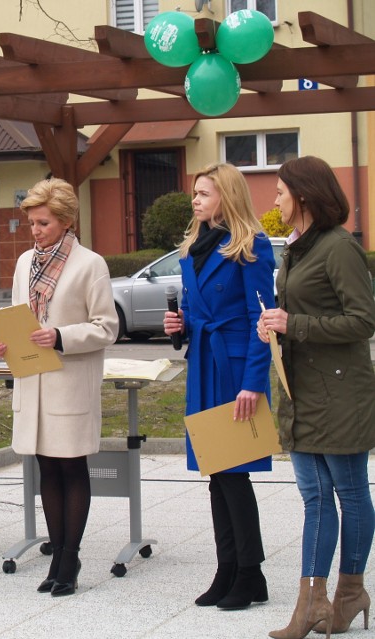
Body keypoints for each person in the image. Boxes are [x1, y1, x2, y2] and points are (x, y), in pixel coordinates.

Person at [258, 156, 375, 639]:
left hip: (341, 393)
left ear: (303, 196)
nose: (276, 199)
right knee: (314, 498)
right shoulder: (298, 248)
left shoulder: (339, 247)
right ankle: (312, 602)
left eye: (281, 192)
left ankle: (350, 592)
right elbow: (299, 310)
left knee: (349, 493)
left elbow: (364, 320)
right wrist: (275, 324)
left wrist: (295, 324)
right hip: (301, 390)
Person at [0, 178, 118, 597]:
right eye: (31, 223)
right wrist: (7, 340)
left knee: (71, 466)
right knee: (46, 467)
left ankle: (71, 556)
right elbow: (20, 316)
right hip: (33, 380)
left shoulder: (90, 264)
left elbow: (106, 327)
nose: (35, 230)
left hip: (69, 381)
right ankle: (58, 551)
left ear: (65, 221)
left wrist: (60, 335)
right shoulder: (26, 262)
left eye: (43, 223)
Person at [163, 162, 275, 610]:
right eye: (194, 193)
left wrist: (253, 382)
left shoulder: (251, 247)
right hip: (204, 366)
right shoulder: (193, 249)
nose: (195, 200)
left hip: (233, 370)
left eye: (203, 193)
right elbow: (196, 314)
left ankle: (250, 573)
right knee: (217, 474)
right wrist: (180, 325)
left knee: (235, 475)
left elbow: (259, 321)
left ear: (226, 197)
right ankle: (228, 568)